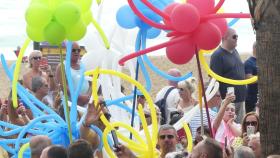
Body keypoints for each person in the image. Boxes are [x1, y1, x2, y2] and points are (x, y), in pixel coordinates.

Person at [210, 28, 246, 123]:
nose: (237, 38)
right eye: (234, 36)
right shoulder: (217, 55)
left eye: (237, 36)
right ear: (225, 38)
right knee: (229, 127)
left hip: (240, 99)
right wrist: (221, 102)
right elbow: (213, 80)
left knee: (239, 127)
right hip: (228, 102)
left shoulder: (235, 51)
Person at [55, 42, 91, 106]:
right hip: (69, 105)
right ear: (67, 51)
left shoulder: (84, 64)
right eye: (73, 50)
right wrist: (79, 97)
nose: (76, 52)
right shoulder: (62, 66)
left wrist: (87, 96)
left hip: (85, 103)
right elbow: (63, 86)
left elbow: (91, 82)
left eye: (78, 50)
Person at [244, 42, 258, 113]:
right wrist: (265, 79)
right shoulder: (249, 62)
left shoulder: (262, 61)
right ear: (255, 48)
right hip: (252, 98)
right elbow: (248, 78)